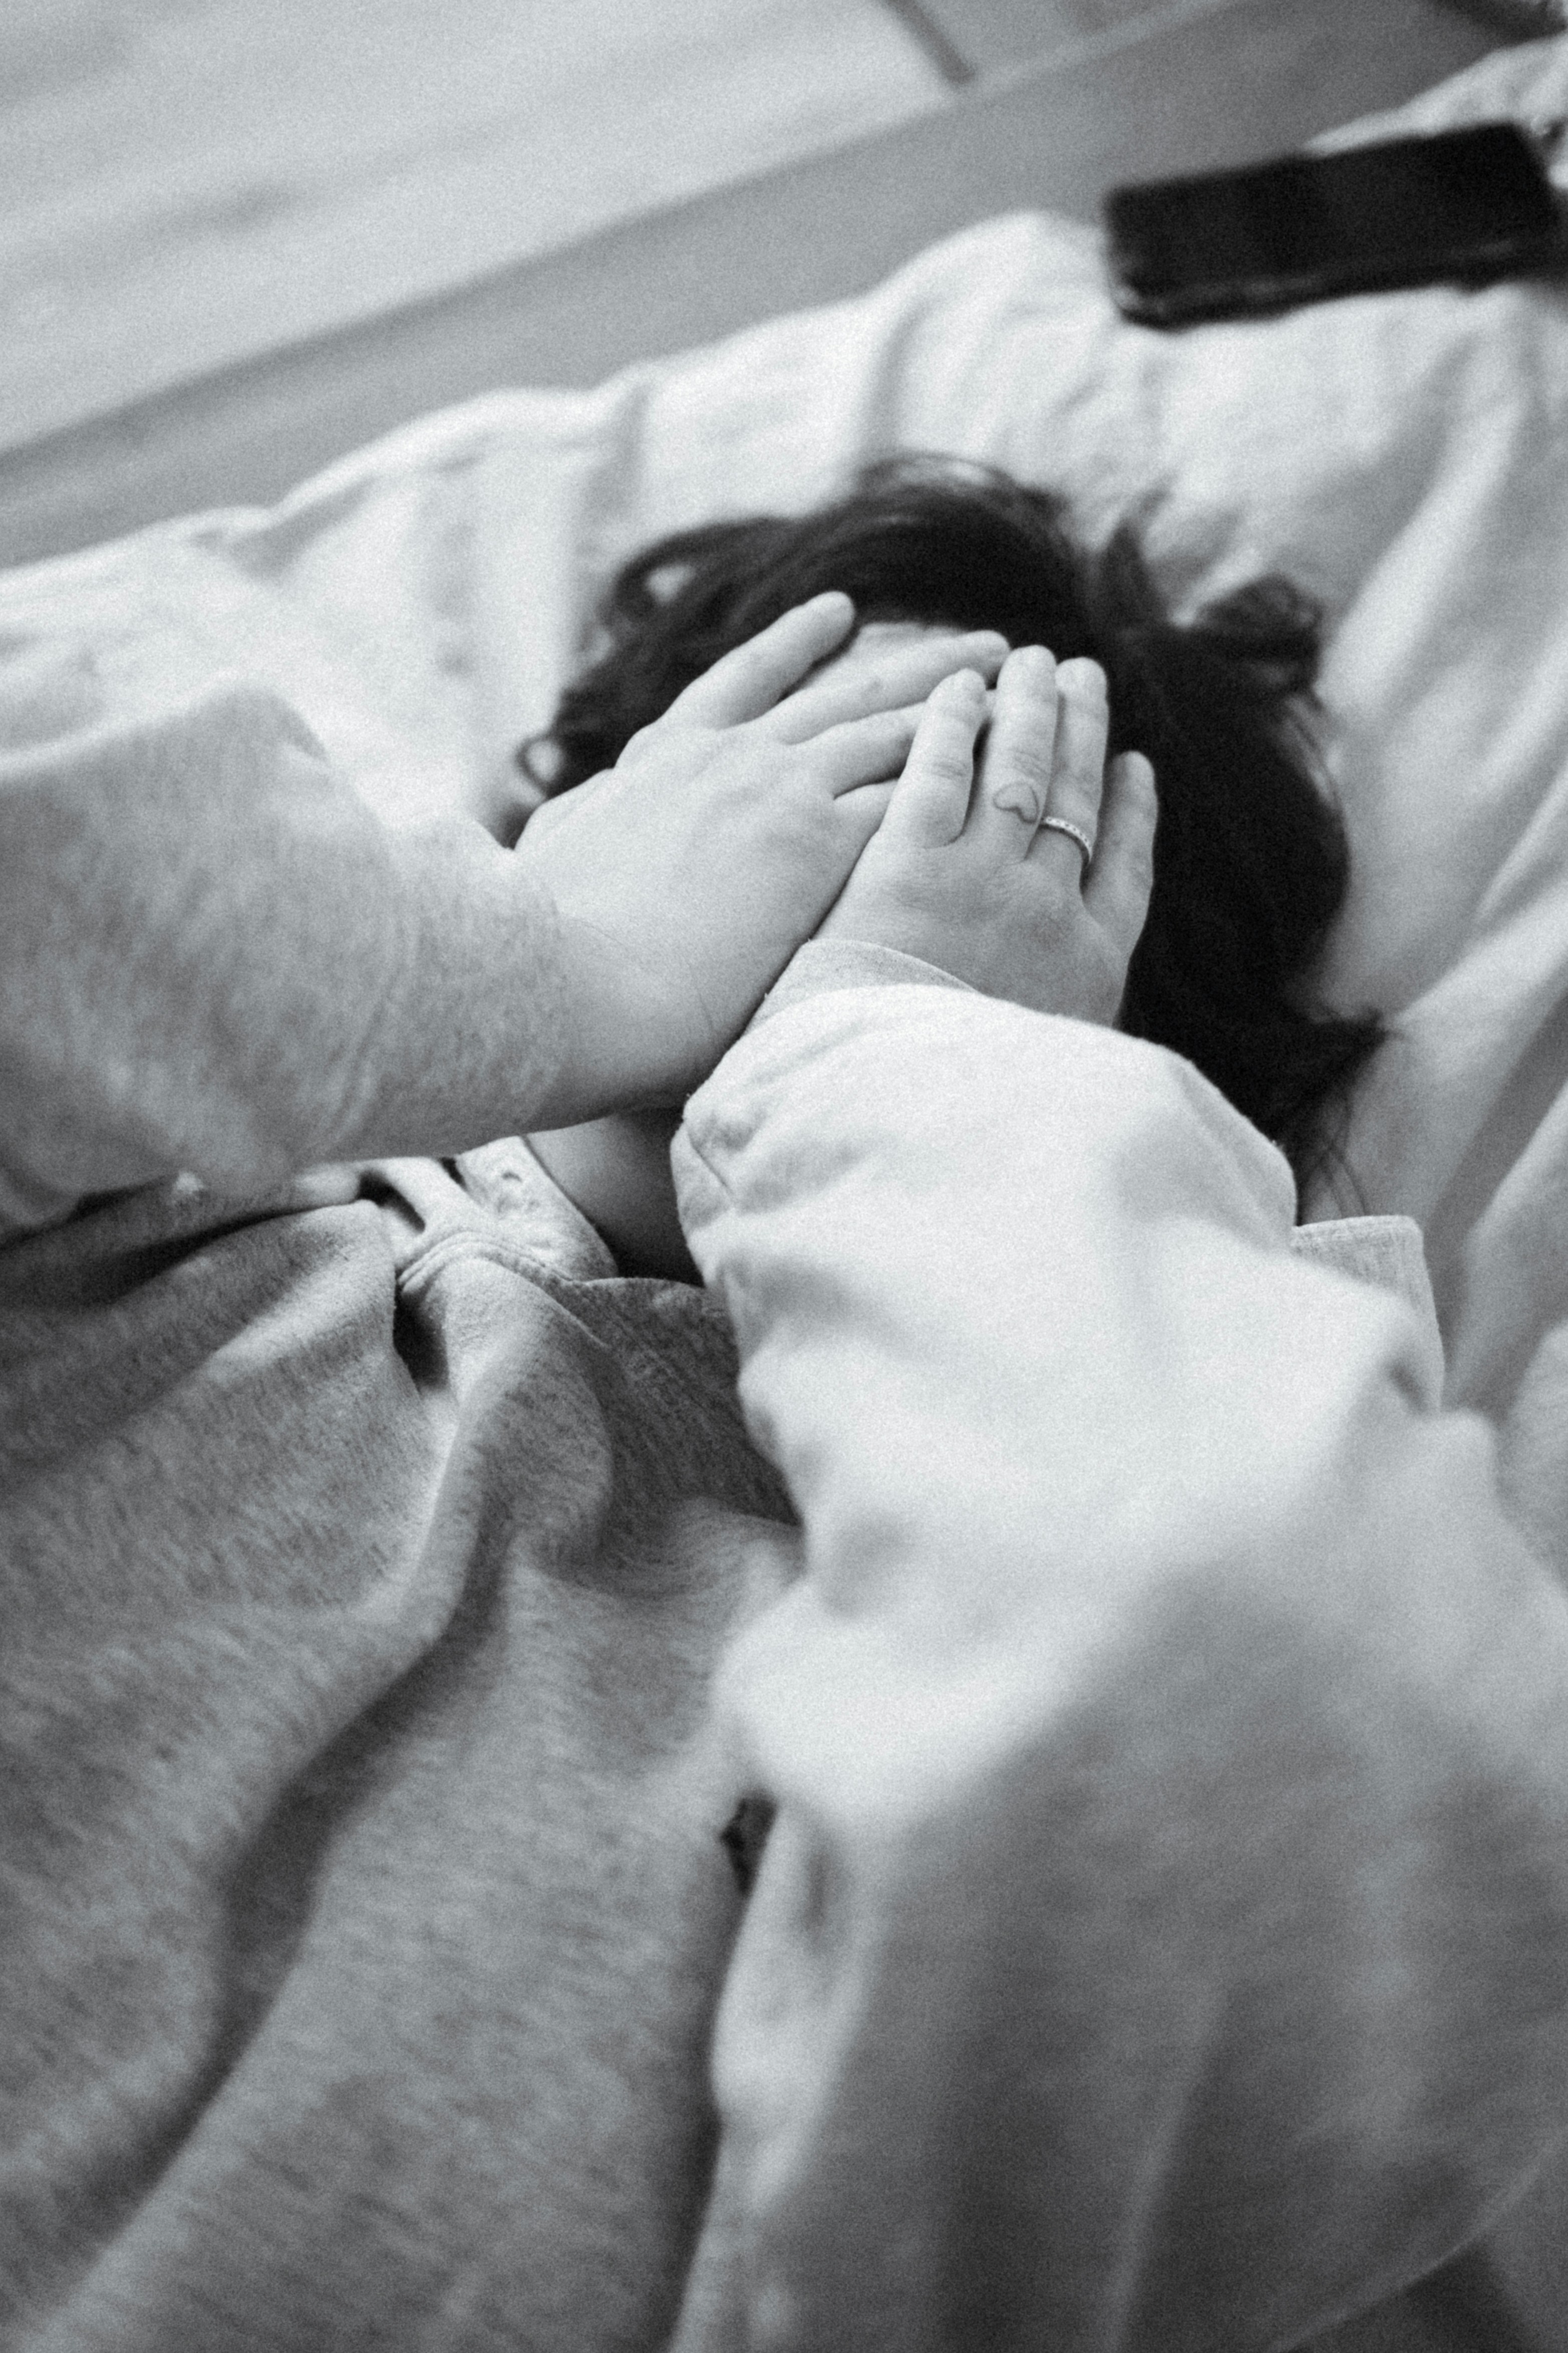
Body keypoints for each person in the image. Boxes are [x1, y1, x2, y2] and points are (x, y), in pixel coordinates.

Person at [2, 517, 1566, 2353]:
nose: (864, 890)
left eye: (1005, 852)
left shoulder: (1033, 1488)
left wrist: (900, 1047)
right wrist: (547, 969)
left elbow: (1265, 1668)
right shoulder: (170, 1187)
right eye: (812, 789)